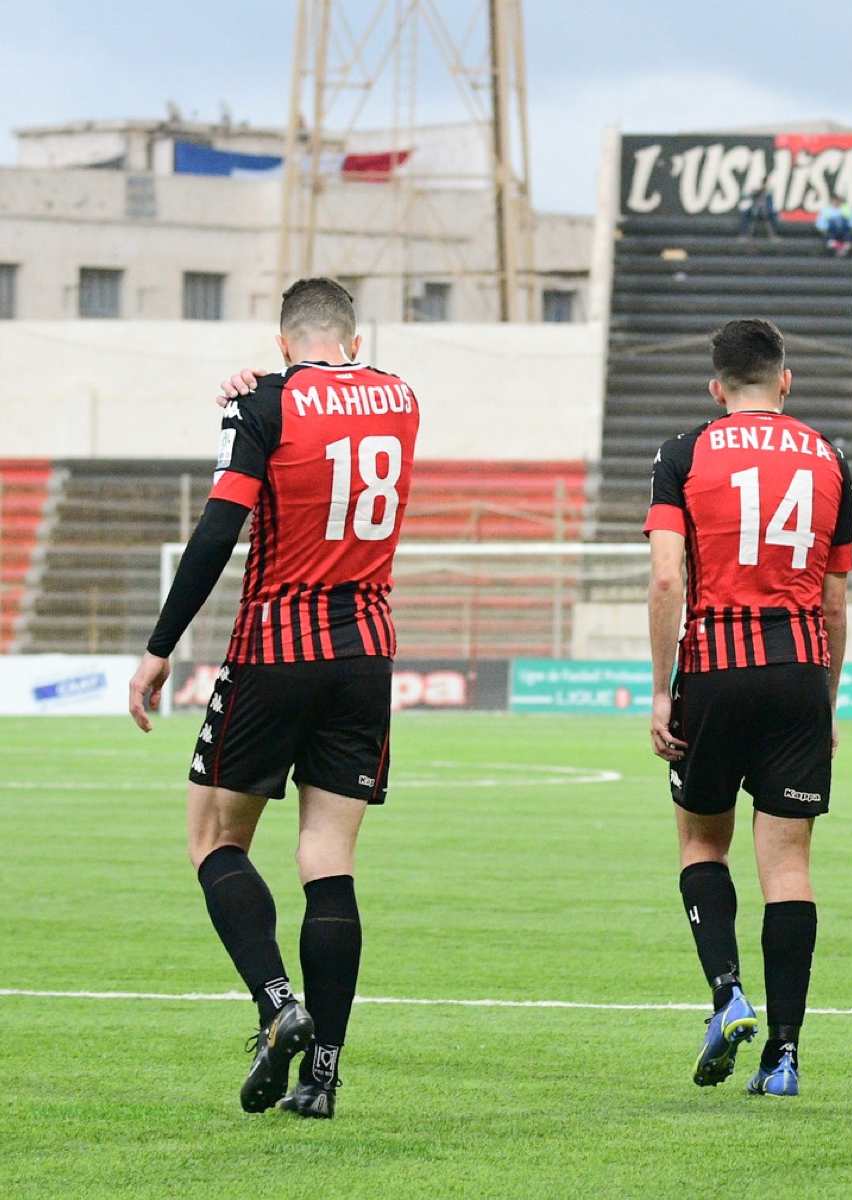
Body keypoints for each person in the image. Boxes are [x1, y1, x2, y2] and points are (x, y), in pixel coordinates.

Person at [134, 279, 420, 1119]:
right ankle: (323, 1076)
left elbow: (222, 528)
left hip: (276, 645)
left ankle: (273, 1003)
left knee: (214, 839)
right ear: (352, 334)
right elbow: (340, 400)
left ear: (282, 336)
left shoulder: (265, 400)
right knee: (329, 859)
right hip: (367, 651)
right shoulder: (402, 398)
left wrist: (159, 649)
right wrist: (264, 389)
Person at [644, 319, 852, 1098]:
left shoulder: (684, 453)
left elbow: (668, 581)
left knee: (703, 843)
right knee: (790, 867)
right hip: (799, 671)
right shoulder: (831, 459)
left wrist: (663, 688)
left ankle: (728, 992)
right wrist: (826, 699)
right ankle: (787, 1055)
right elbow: (836, 602)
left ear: (716, 387)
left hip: (716, 667)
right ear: (786, 381)